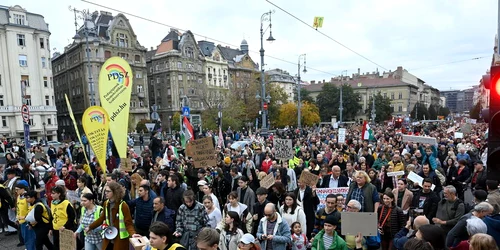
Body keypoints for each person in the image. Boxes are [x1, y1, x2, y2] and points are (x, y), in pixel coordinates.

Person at [88, 182, 138, 250]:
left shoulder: (123, 205)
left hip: (120, 240)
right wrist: (90, 227)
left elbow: (128, 223)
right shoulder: (106, 203)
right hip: (109, 236)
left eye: (108, 191)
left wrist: (133, 234)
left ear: (115, 192)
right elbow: (102, 218)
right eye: (105, 191)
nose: (105, 193)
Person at [50, 185, 77, 250]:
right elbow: (52, 216)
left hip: (65, 229)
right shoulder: (52, 203)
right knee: (56, 246)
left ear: (59, 194)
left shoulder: (66, 203)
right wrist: (50, 228)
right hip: (56, 228)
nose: (51, 195)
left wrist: (65, 226)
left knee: (67, 247)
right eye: (51, 193)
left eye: (53, 193)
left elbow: (72, 217)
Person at [15, 181, 35, 250]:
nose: (16, 191)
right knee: (25, 237)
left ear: (22, 189)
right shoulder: (18, 197)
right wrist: (17, 218)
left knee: (30, 237)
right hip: (21, 221)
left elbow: (31, 209)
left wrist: (27, 218)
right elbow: (18, 208)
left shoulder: (27, 197)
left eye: (17, 189)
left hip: (27, 221)